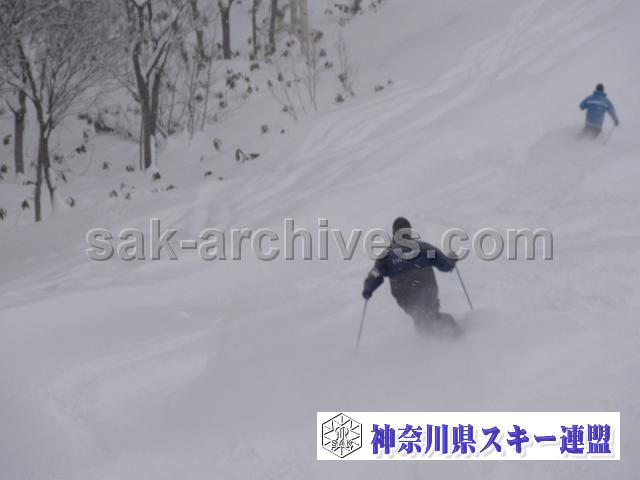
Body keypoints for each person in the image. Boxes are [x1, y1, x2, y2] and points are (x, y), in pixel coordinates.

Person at [361, 217, 460, 336]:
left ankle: (430, 341)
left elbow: (376, 273)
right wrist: (451, 260)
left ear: (394, 233)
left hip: (404, 295)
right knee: (431, 315)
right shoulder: (424, 249)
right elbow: (445, 265)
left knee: (420, 317)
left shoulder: (387, 256)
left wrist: (368, 288)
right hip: (426, 289)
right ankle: (457, 338)